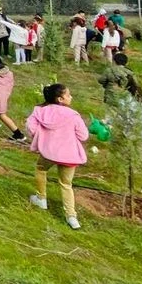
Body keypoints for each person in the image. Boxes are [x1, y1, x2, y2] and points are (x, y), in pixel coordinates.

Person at [26, 83, 89, 230]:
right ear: (60, 99)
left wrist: (42, 137)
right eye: (68, 94)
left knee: (41, 168)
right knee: (66, 184)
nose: (71, 96)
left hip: (48, 152)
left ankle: (41, 198)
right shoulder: (73, 115)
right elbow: (83, 136)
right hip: (69, 155)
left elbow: (31, 127)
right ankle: (71, 217)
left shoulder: (39, 111)